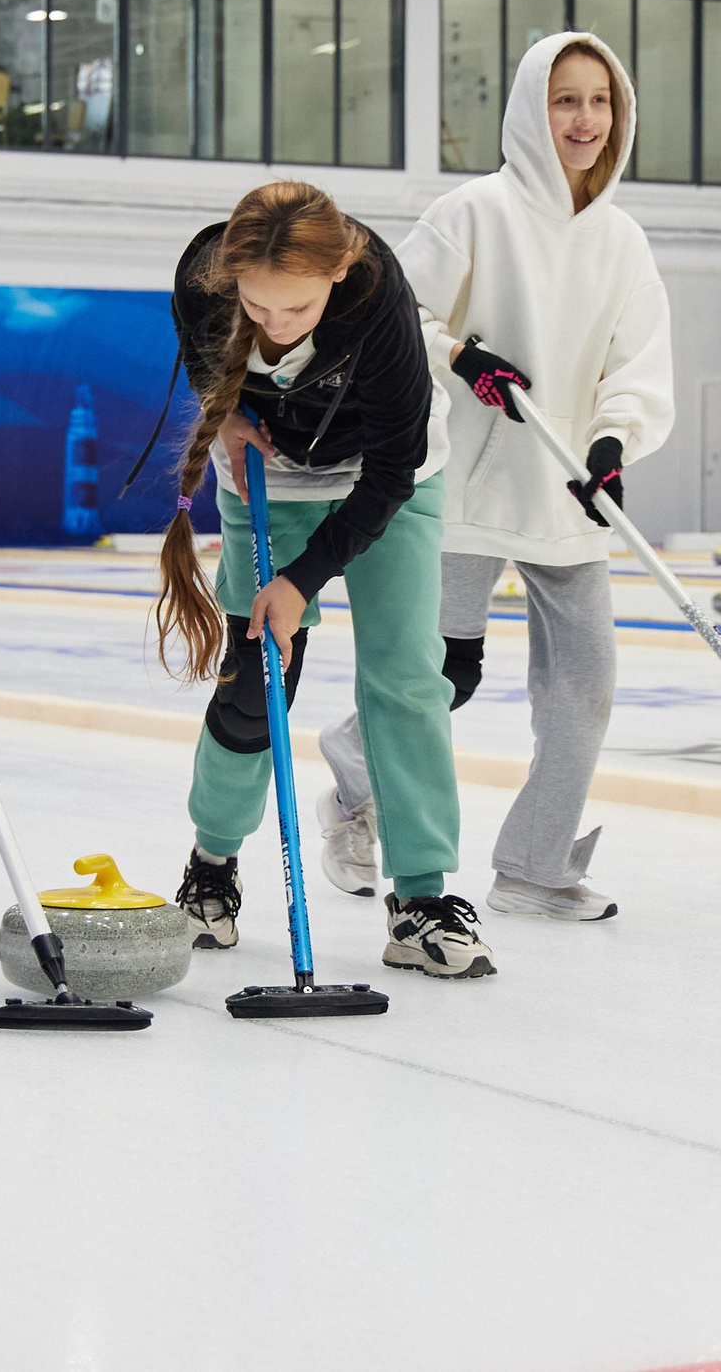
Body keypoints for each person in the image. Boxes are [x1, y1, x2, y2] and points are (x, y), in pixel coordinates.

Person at [313, 32, 673, 921]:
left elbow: (640, 363)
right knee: (440, 676)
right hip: (464, 489)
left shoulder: (624, 241)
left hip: (566, 492)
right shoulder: (473, 212)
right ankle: (356, 783)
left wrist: (614, 442)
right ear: (529, 109)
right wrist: (459, 356)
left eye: (598, 101)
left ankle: (534, 866)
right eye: (564, 99)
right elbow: (385, 315)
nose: (583, 119)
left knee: (584, 687)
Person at [158, 181, 494, 980]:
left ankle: (419, 897)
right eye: (258, 307)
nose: (274, 327)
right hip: (266, 477)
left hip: (387, 481)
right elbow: (217, 378)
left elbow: (392, 472)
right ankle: (212, 865)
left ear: (338, 273)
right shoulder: (202, 278)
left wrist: (303, 581)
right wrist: (228, 409)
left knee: (409, 674)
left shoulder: (377, 299)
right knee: (258, 674)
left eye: (296, 310)